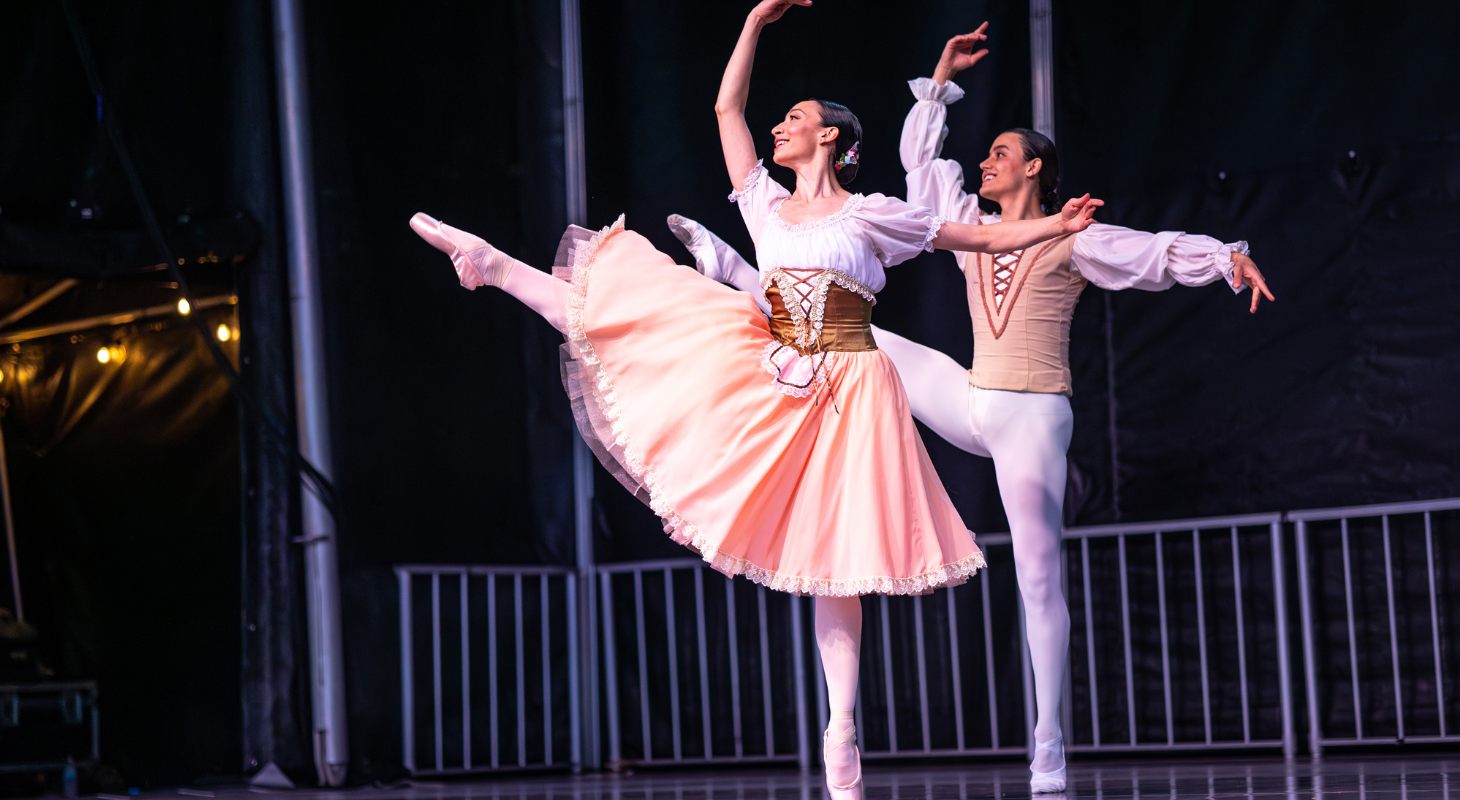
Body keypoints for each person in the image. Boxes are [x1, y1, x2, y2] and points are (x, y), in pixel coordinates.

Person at [409, 4, 1101, 797]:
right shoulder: (763, 203)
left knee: (835, 563)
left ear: (832, 137)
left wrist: (1052, 229)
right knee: (637, 310)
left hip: (848, 381)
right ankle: (493, 263)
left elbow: (976, 238)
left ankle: (841, 730)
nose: (780, 128)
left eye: (796, 119)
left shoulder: (872, 213)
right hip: (772, 360)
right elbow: (725, 109)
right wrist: (751, 24)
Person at [665, 21, 1274, 795]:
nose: (985, 163)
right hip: (972, 394)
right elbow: (925, 167)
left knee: (1039, 576)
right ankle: (746, 281)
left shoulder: (1073, 238)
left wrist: (1224, 256)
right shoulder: (972, 227)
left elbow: (1150, 253)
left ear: (1037, 168)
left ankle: (1047, 746)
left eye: (1000, 155)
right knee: (855, 338)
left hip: (1032, 415)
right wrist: (940, 82)